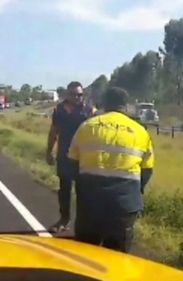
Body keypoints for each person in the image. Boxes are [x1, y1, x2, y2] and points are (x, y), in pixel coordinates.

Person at [67, 87, 154, 253]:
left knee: (85, 253)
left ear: (104, 103)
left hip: (90, 201)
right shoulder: (140, 131)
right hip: (125, 202)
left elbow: (72, 163)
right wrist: (136, 189)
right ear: (126, 106)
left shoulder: (87, 126)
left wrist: (83, 186)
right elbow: (147, 170)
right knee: (117, 258)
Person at [46, 81, 96, 233]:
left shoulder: (90, 111)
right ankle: (64, 219)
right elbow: (54, 132)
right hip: (65, 155)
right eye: (73, 94)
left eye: (80, 95)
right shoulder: (59, 110)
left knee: (84, 191)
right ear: (67, 95)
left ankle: (83, 224)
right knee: (64, 189)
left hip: (84, 157)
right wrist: (49, 151)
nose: (77, 98)